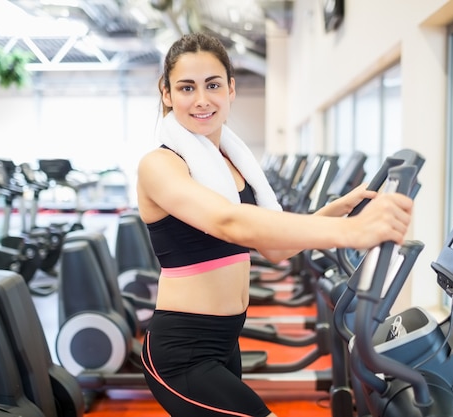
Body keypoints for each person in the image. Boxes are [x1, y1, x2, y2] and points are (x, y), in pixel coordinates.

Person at [136, 32, 413, 417]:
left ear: (231, 89)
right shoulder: (160, 165)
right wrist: (353, 232)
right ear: (166, 93)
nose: (202, 99)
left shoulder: (232, 164)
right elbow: (228, 222)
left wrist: (337, 209)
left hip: (224, 344)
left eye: (213, 85)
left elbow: (275, 246)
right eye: (187, 87)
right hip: (182, 353)